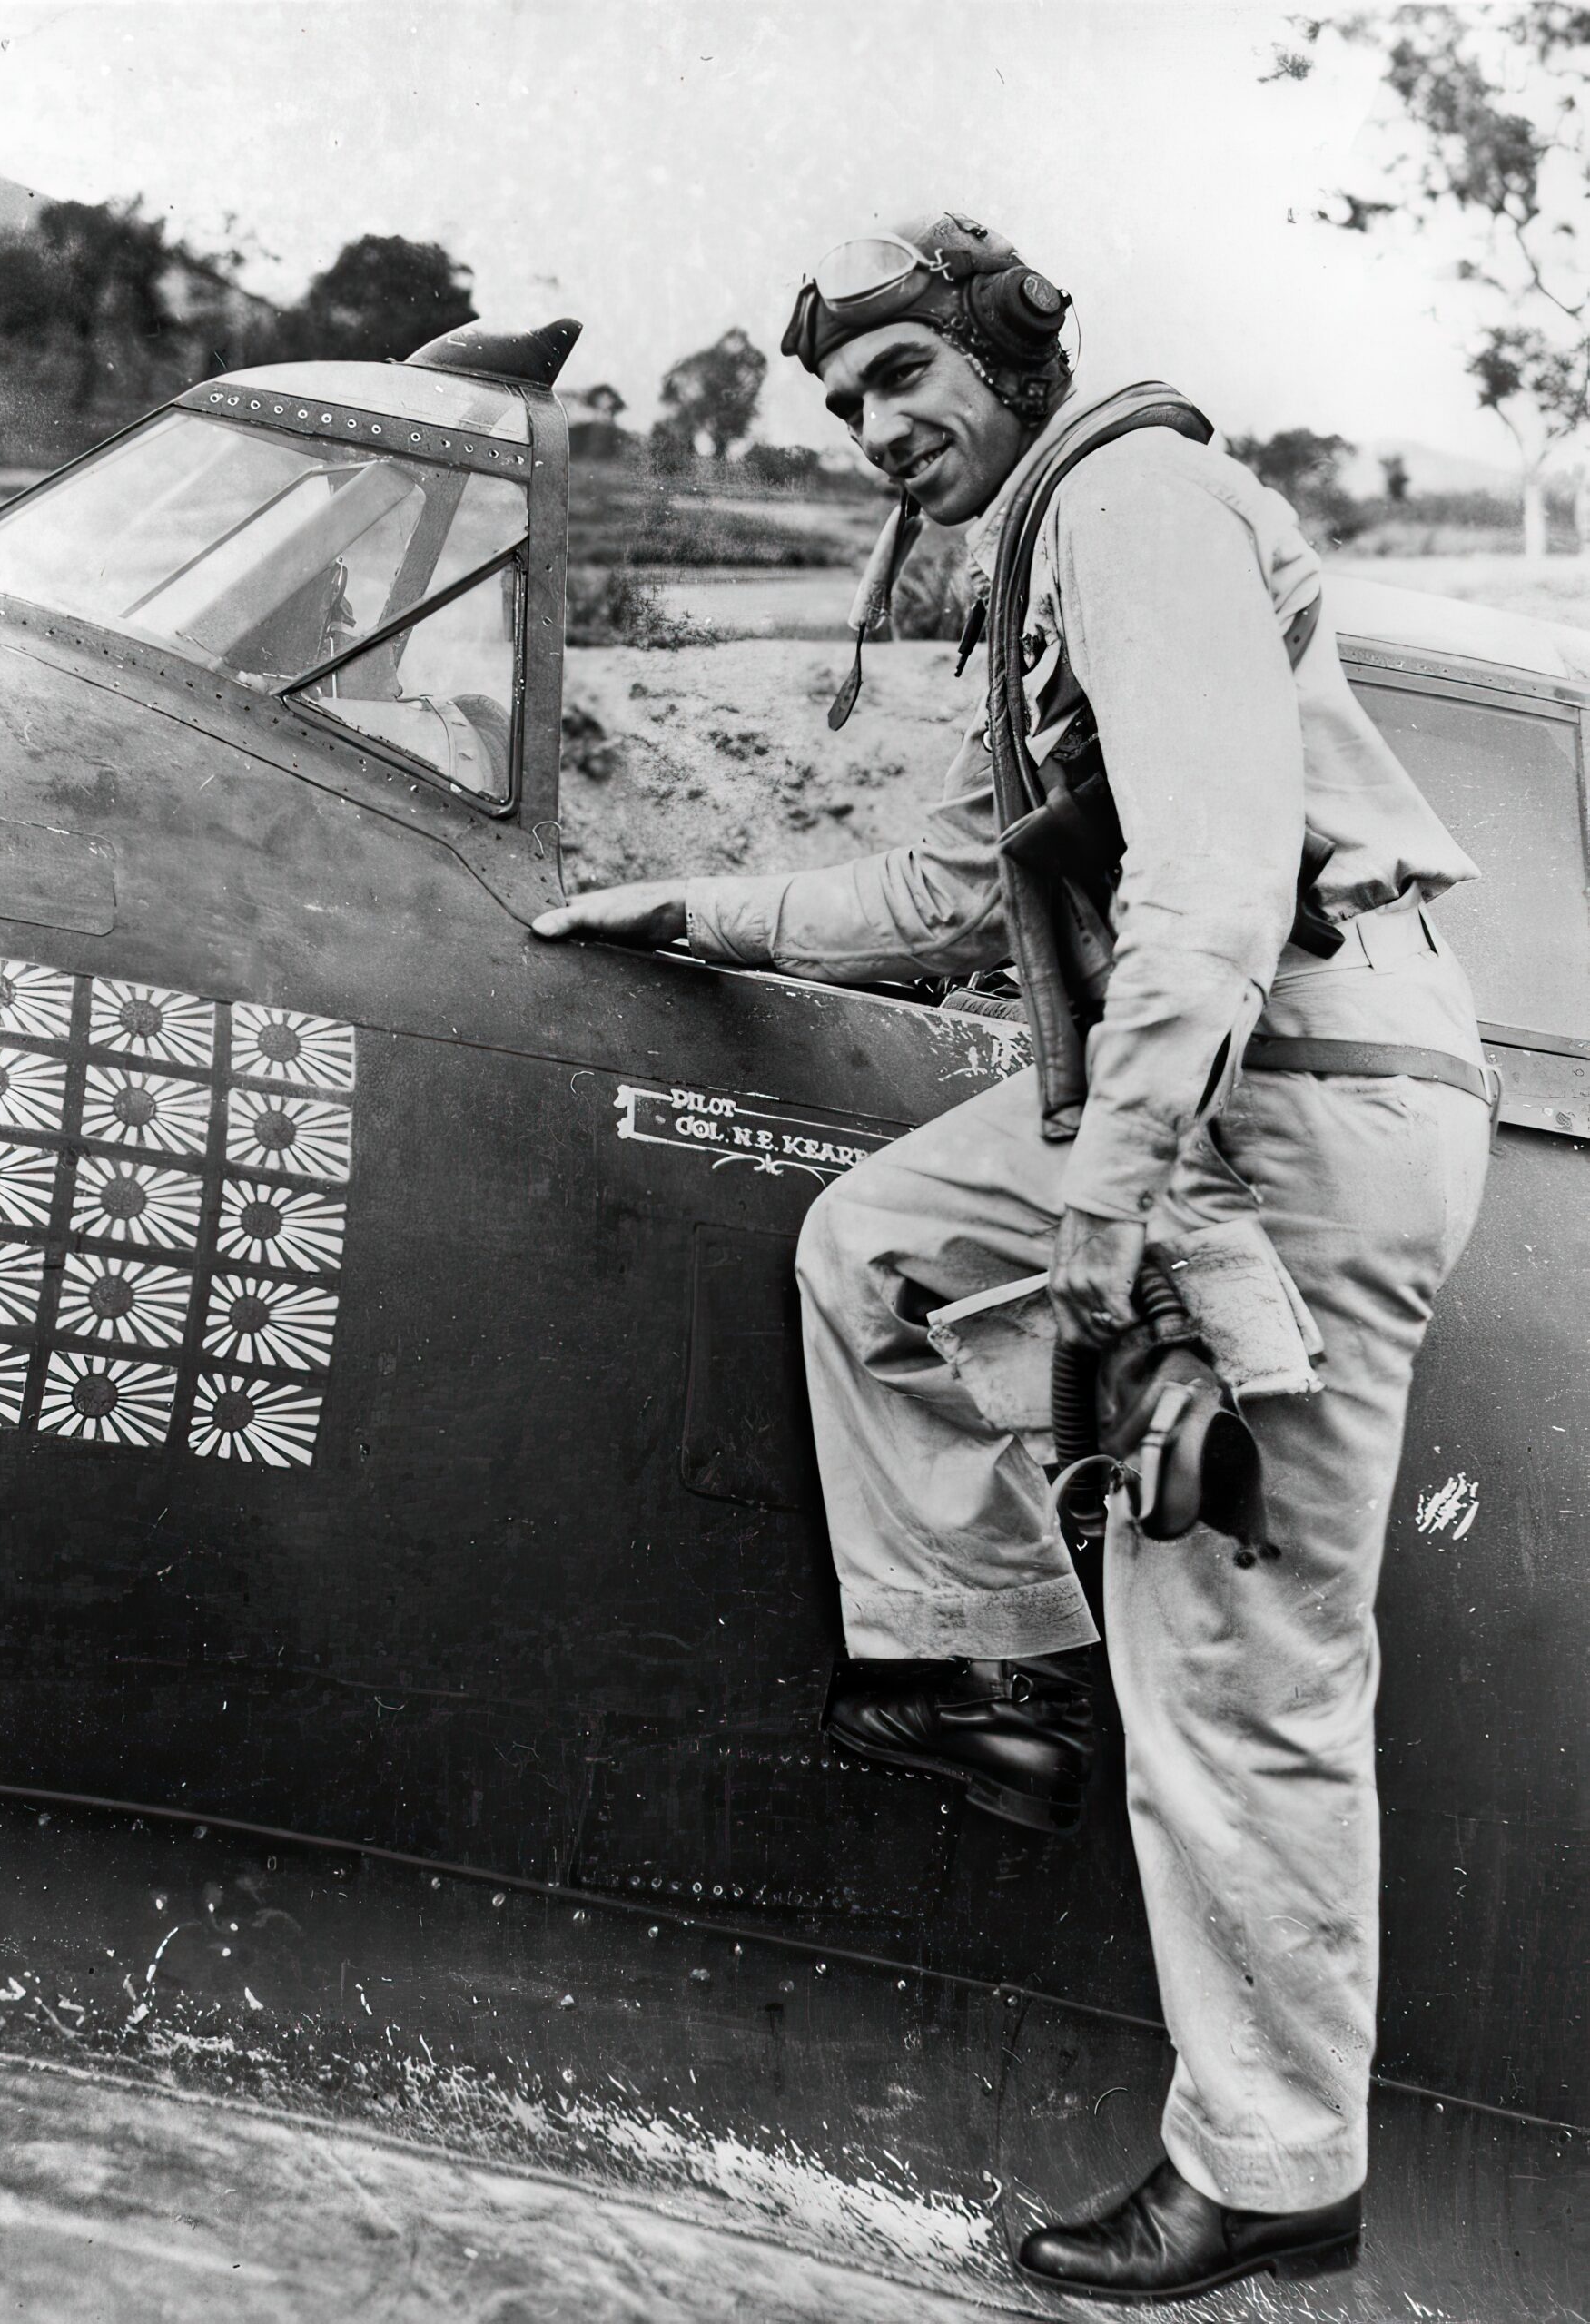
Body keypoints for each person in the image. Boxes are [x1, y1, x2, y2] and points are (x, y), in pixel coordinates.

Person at [531, 213, 1492, 2303]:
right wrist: (695, 901)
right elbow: (970, 883)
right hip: (1240, 1082)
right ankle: (990, 1662)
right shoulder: (1059, 538)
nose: (872, 428)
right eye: (844, 401)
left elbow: (1221, 884)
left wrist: (1107, 1184)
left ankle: (1267, 2161)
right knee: (874, 1237)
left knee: (1243, 1675)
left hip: (1287, 1103)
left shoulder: (1129, 502)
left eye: (899, 380)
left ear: (1001, 358)